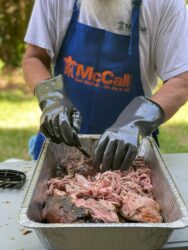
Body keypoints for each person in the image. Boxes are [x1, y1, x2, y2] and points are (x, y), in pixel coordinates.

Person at [23, 0, 188, 171]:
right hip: (60, 144)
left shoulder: (165, 4)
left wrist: (137, 122)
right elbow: (34, 58)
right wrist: (51, 99)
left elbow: (182, 79)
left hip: (130, 152)